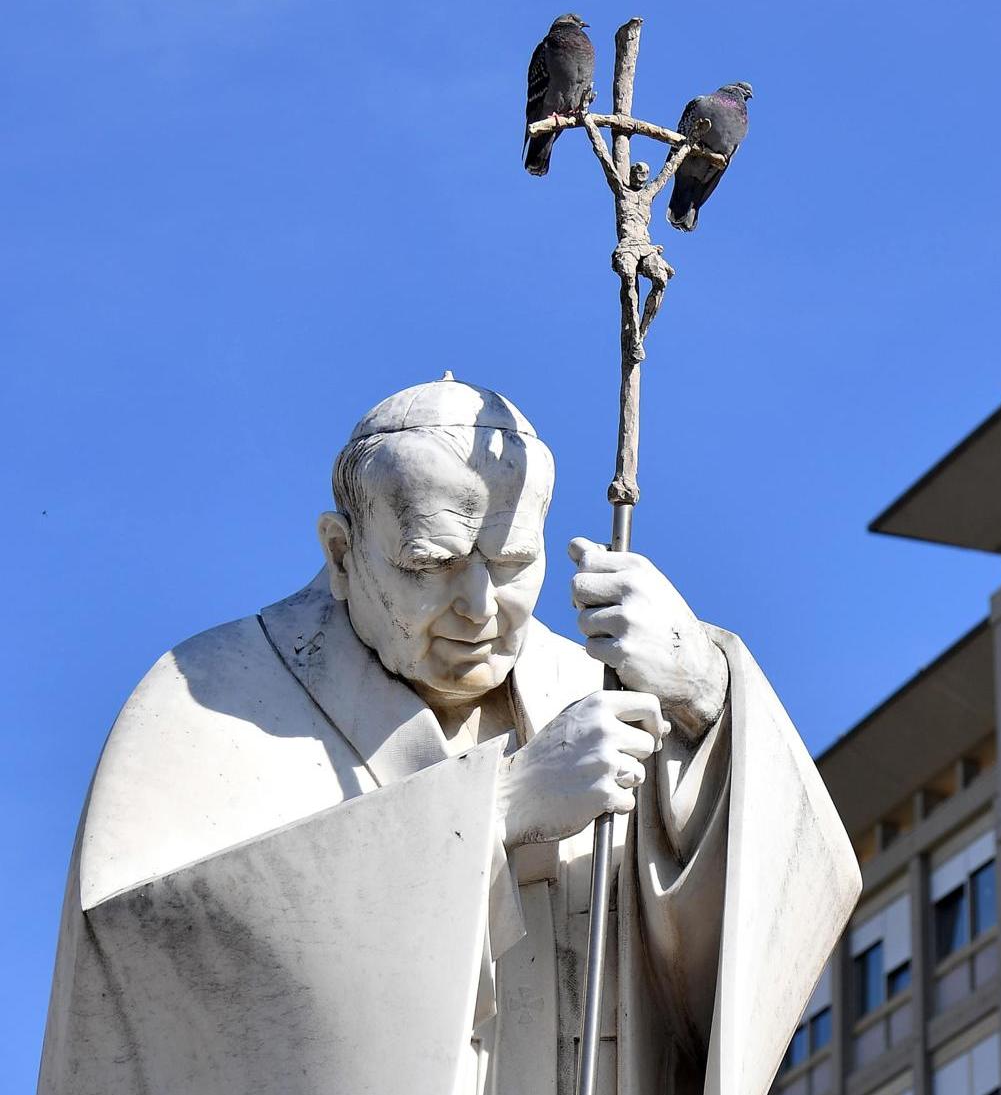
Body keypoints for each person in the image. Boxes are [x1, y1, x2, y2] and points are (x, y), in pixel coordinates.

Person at [38, 376, 859, 1095]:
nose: (477, 607)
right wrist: (496, 811)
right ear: (341, 549)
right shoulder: (211, 694)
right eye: (431, 565)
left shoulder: (599, 693)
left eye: (509, 563)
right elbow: (147, 968)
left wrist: (705, 697)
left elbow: (748, 962)